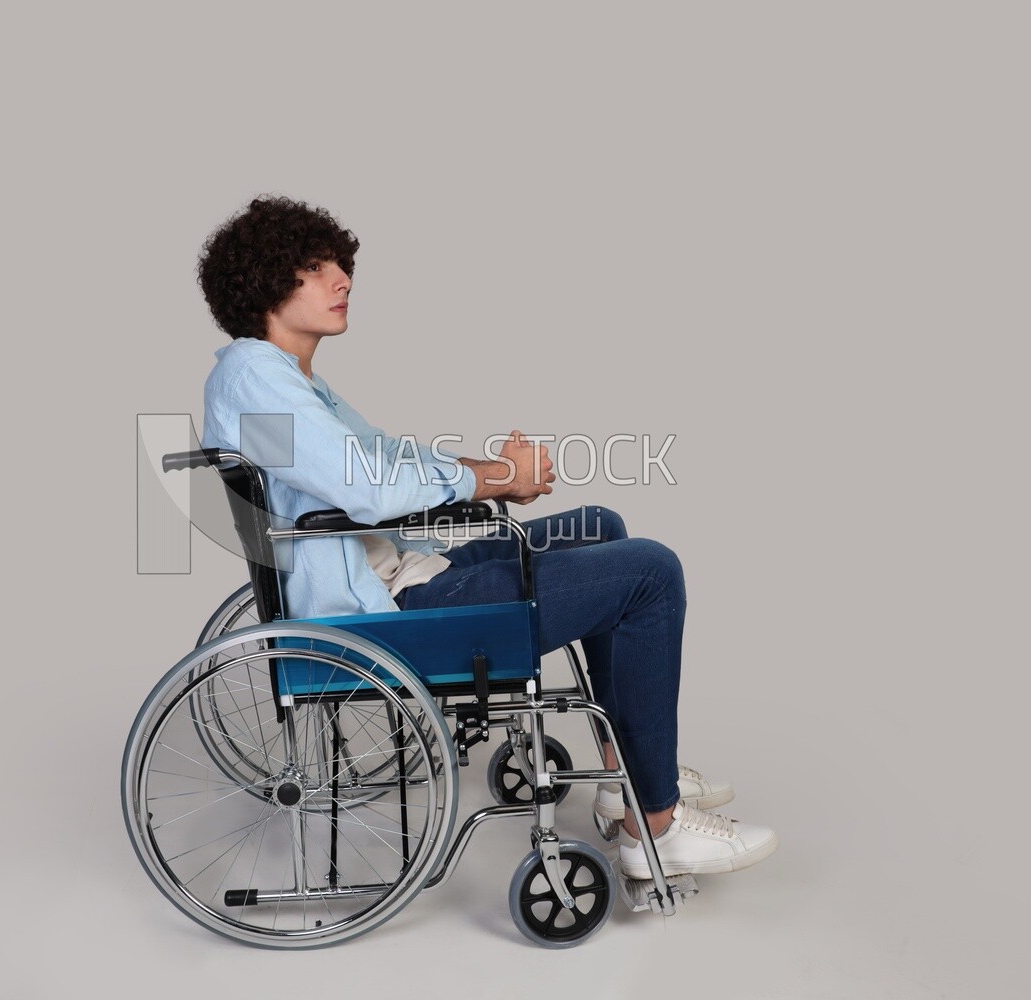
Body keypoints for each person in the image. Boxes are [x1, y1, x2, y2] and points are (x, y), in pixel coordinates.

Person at [196, 195, 778, 878]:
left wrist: (498, 477)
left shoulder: (283, 381)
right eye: (317, 268)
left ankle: (626, 778)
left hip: (400, 577)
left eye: (341, 266)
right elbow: (371, 490)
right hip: (383, 619)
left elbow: (389, 460)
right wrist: (498, 477)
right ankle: (656, 826)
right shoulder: (256, 379)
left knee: (601, 530)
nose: (343, 280)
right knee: (651, 571)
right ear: (267, 280)